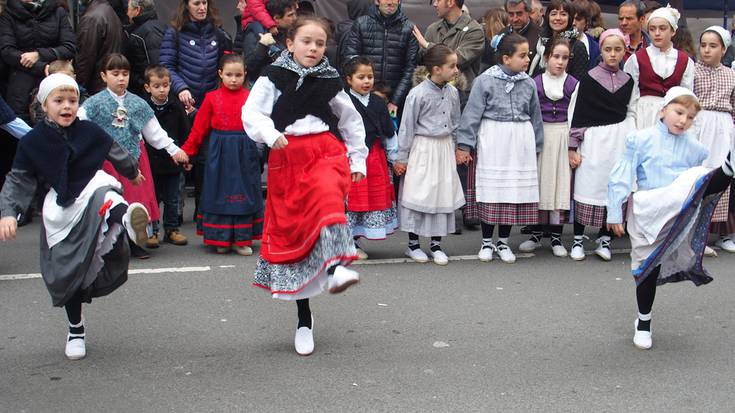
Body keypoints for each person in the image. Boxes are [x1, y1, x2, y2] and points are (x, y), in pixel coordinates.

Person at [0, 73, 151, 360]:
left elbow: (113, 149)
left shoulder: (89, 131)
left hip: (92, 191)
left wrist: (131, 171)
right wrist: (8, 212)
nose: (67, 106)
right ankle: (75, 329)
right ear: (45, 106)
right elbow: (18, 180)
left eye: (72, 100)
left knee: (105, 190)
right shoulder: (32, 142)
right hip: (61, 207)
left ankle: (129, 219)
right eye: (59, 101)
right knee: (68, 273)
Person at [242, 16, 368, 356]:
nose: (313, 48)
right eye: (307, 41)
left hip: (325, 150)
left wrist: (357, 160)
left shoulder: (330, 80)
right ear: (290, 44)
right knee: (296, 234)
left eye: (320, 43)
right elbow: (251, 114)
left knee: (328, 197)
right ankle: (303, 318)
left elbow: (351, 120)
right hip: (287, 155)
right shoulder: (273, 77)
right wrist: (271, 135)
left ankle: (337, 267)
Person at [606, 87, 734, 350]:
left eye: (689, 117)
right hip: (648, 211)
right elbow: (620, 175)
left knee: (699, 178)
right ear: (663, 110)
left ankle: (728, 167)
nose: (682, 121)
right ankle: (644, 321)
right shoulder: (640, 139)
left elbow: (697, 186)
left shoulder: (696, 149)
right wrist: (614, 211)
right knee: (645, 269)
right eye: (678, 112)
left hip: (677, 210)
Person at [79, 54, 189, 259]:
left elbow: (154, 132)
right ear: (104, 76)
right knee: (109, 201)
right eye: (115, 74)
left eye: (125, 74)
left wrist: (174, 150)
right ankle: (109, 244)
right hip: (107, 161)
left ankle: (133, 242)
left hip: (135, 158)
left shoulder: (138, 103)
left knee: (134, 201)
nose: (121, 78)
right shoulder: (93, 104)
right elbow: (79, 127)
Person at [456, 33, 543, 264]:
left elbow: (535, 116)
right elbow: (471, 114)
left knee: (511, 191)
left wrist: (537, 144)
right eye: (522, 55)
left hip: (519, 141)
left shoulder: (529, 83)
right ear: (506, 58)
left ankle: (503, 242)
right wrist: (464, 144)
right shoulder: (485, 81)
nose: (527, 59)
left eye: (528, 55)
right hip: (493, 139)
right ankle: (487, 241)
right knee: (491, 191)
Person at [159, 0, 232, 230]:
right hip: (183, 103)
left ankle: (203, 209)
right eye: (196, 3)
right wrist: (180, 88)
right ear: (186, 6)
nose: (202, 7)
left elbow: (225, 65)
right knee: (182, 155)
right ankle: (175, 212)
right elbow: (167, 65)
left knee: (205, 158)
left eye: (205, 3)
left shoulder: (217, 32)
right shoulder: (174, 32)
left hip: (208, 104)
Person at [181, 54, 263, 255]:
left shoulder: (251, 98)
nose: (233, 79)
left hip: (245, 151)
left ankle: (242, 240)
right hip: (220, 153)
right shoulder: (211, 98)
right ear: (220, 74)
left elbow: (263, 124)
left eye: (238, 75)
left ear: (245, 75)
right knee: (219, 193)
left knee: (244, 193)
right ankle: (221, 238)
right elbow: (199, 129)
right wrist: (187, 152)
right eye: (229, 75)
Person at [567, 29, 636, 261]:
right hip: (594, 140)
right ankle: (578, 238)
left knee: (613, 187)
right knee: (588, 186)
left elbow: (631, 110)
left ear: (624, 51)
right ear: (601, 51)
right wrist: (572, 146)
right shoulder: (588, 79)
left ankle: (605, 238)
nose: (613, 54)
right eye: (608, 49)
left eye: (618, 49)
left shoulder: (628, 81)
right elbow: (577, 113)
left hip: (619, 140)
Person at [392, 45, 464, 266]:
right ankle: (413, 245)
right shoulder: (418, 94)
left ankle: (436, 244)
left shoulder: (452, 92)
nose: (455, 70)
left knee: (441, 194)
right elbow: (407, 127)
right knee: (420, 193)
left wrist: (457, 148)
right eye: (451, 66)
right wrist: (401, 157)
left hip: (443, 149)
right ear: (436, 69)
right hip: (423, 148)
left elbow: (455, 123)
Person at [519, 37, 577, 258]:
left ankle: (556, 236)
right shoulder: (534, 82)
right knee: (540, 183)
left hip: (563, 135)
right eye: (556, 57)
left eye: (564, 58)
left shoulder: (573, 83)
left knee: (559, 184)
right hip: (541, 134)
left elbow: (574, 115)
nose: (560, 62)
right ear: (546, 58)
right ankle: (535, 233)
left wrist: (573, 143)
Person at [342, 56, 398, 259]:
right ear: (349, 79)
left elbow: (388, 132)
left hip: (374, 158)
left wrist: (395, 157)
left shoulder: (377, 102)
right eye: (361, 77)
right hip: (348, 157)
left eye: (370, 77)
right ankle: (343, 243)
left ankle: (353, 242)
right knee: (349, 201)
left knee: (367, 200)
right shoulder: (342, 101)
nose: (366, 81)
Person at [692, 26, 735, 253]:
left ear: (724, 49)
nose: (706, 50)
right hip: (700, 124)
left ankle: (709, 234)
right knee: (699, 178)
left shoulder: (731, 74)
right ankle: (691, 234)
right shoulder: (693, 71)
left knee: (721, 180)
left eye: (713, 46)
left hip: (723, 128)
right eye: (704, 45)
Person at [0, 0, 76, 121]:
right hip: (20, 85)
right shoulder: (8, 15)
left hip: (55, 79)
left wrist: (39, 55)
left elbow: (69, 47)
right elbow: (7, 51)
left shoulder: (57, 12)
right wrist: (41, 66)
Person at [342, 0, 419, 115]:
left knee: (390, 132)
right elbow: (351, 61)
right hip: (362, 97)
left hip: (394, 101)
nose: (390, 2)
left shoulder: (409, 28)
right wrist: (363, 93)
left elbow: (411, 68)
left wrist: (395, 101)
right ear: (377, 1)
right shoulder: (361, 24)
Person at [623, 5, 694, 130]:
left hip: (671, 117)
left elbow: (686, 96)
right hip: (643, 115)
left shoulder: (685, 61)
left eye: (662, 28)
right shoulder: (636, 59)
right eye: (652, 29)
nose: (657, 33)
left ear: (673, 31)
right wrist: (631, 126)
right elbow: (630, 97)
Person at [142, 65, 190, 248]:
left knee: (173, 198)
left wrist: (187, 157)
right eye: (156, 86)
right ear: (148, 87)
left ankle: (172, 229)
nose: (162, 90)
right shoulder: (143, 106)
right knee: (152, 198)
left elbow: (185, 131)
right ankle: (152, 231)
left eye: (165, 85)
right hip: (150, 161)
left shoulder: (176, 106)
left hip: (172, 160)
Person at [413, 0, 485, 92]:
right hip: (432, 93)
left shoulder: (474, 31)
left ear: (450, 2)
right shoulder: (433, 29)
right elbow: (424, 61)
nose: (435, 4)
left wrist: (428, 46)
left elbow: (458, 59)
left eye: (438, 0)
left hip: (461, 95)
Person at [529, 0, 589, 81]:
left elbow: (579, 82)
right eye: (553, 14)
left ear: (570, 18)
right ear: (548, 17)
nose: (557, 18)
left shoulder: (577, 46)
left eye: (563, 14)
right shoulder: (540, 41)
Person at [75, 0, 125, 94]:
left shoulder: (92, 17)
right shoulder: (108, 10)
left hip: (97, 86)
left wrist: (80, 86)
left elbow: (85, 57)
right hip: (107, 82)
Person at [241, 0, 297, 83]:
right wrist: (262, 46)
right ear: (276, 18)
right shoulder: (255, 35)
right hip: (265, 86)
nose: (295, 18)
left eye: (295, 14)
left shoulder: (288, 32)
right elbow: (248, 66)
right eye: (290, 15)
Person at [124, 0, 167, 97]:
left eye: (129, 8)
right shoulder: (163, 26)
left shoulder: (138, 35)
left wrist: (141, 83)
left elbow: (153, 67)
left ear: (137, 10)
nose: (127, 13)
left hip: (148, 93)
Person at [500, 0, 541, 74]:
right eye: (511, 14)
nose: (515, 19)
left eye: (519, 14)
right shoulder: (502, 34)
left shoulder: (540, 35)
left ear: (528, 12)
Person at [572, 0, 601, 69]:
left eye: (578, 19)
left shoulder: (595, 47)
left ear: (587, 21)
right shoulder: (559, 40)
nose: (573, 23)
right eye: (571, 18)